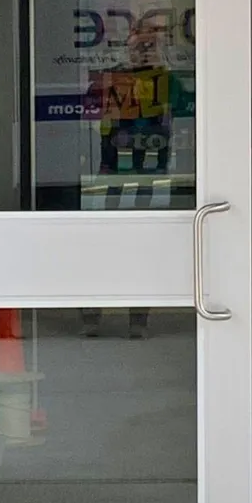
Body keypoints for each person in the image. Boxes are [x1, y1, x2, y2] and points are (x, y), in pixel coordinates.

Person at [81, 17, 189, 339]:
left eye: (150, 46)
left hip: (151, 177)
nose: (143, 52)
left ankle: (138, 318)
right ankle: (92, 313)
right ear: (126, 47)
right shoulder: (111, 78)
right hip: (110, 174)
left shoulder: (168, 81)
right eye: (138, 45)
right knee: (101, 244)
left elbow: (185, 109)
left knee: (144, 246)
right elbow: (88, 107)